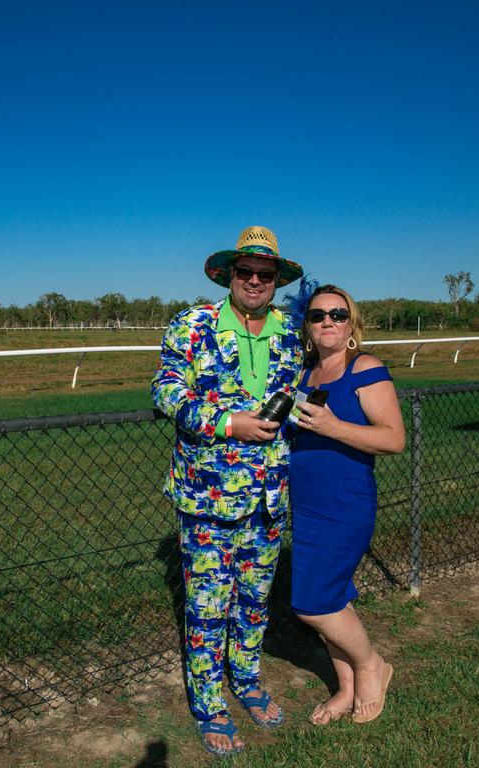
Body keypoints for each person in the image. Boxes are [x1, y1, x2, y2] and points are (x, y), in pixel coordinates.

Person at [151, 225, 305, 756]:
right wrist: (226, 423)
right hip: (207, 496)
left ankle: (247, 681)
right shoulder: (193, 325)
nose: (256, 281)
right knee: (209, 603)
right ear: (230, 276)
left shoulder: (291, 331)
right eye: (247, 272)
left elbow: (303, 391)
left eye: (266, 274)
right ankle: (209, 704)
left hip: (268, 497)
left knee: (255, 601)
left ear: (277, 280)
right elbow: (167, 389)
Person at [289, 284, 406, 725]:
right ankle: (347, 688)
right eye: (318, 316)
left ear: (351, 322)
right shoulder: (305, 375)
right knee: (334, 597)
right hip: (307, 506)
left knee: (312, 604)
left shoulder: (365, 368)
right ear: (308, 324)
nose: (328, 323)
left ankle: (371, 665)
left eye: (337, 315)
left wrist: (334, 427)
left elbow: (393, 439)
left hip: (345, 505)